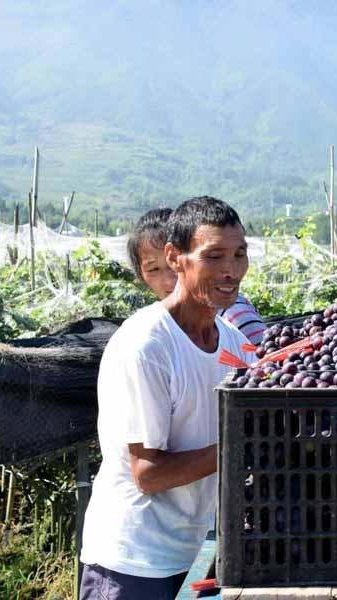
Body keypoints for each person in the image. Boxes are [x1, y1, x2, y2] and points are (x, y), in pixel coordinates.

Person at [79, 197, 256, 599]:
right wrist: (244, 445)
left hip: (194, 552)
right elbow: (149, 474)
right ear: (176, 258)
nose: (231, 270)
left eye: (239, 255)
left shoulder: (237, 347)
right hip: (132, 562)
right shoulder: (147, 346)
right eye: (214, 256)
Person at [127, 207, 266, 344]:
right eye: (153, 270)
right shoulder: (149, 334)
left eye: (173, 265)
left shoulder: (234, 314)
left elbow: (266, 359)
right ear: (141, 276)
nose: (169, 281)